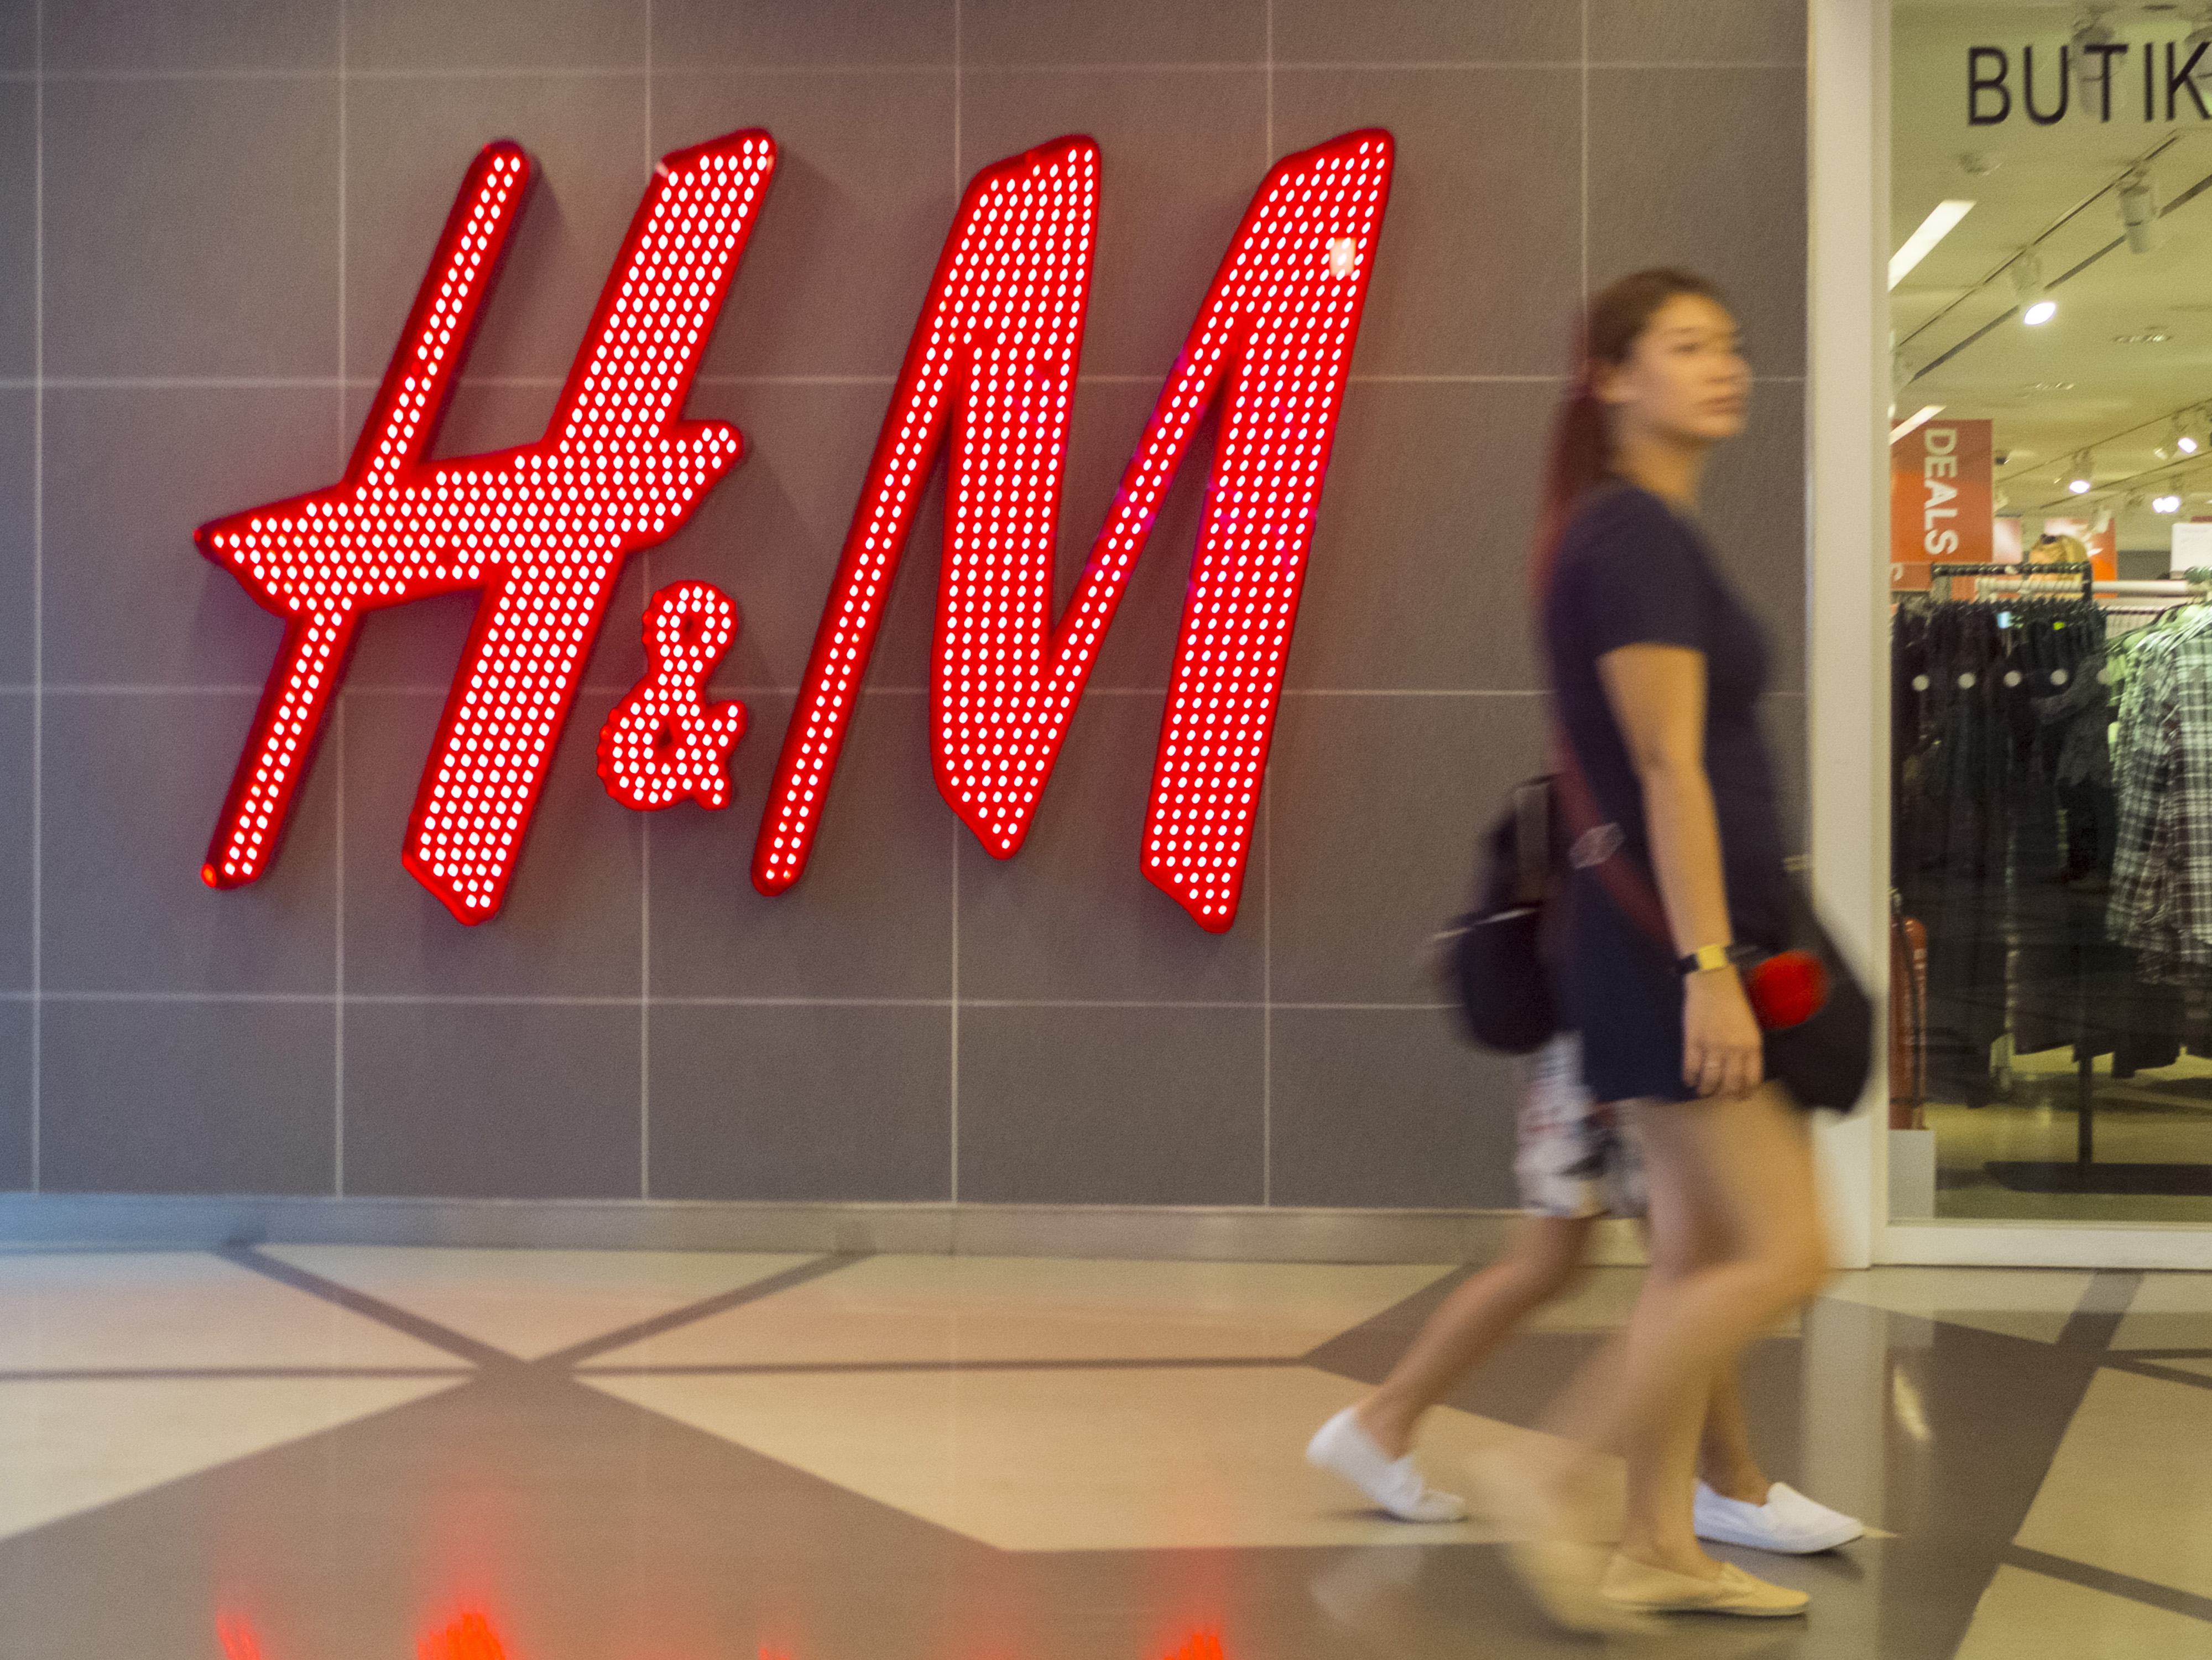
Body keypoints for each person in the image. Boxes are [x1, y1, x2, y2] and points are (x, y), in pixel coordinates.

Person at [1446, 268, 1832, 1628]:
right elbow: (1664, 765)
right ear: (1611, 378)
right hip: (1666, 947)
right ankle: (1546, 1470)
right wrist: (1706, 965)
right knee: (1789, 1247)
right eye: (1686, 346)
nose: (1724, 364)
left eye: (1730, 342)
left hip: (1658, 942)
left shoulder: (1637, 529)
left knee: (1691, 1249)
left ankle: (1657, 1536)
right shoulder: (1630, 539)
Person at [1306, 1033, 1862, 1562]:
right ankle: (1726, 1487)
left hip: (1582, 1042)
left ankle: (1384, 1421)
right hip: (1614, 1047)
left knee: (1566, 1262)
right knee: (1685, 1267)